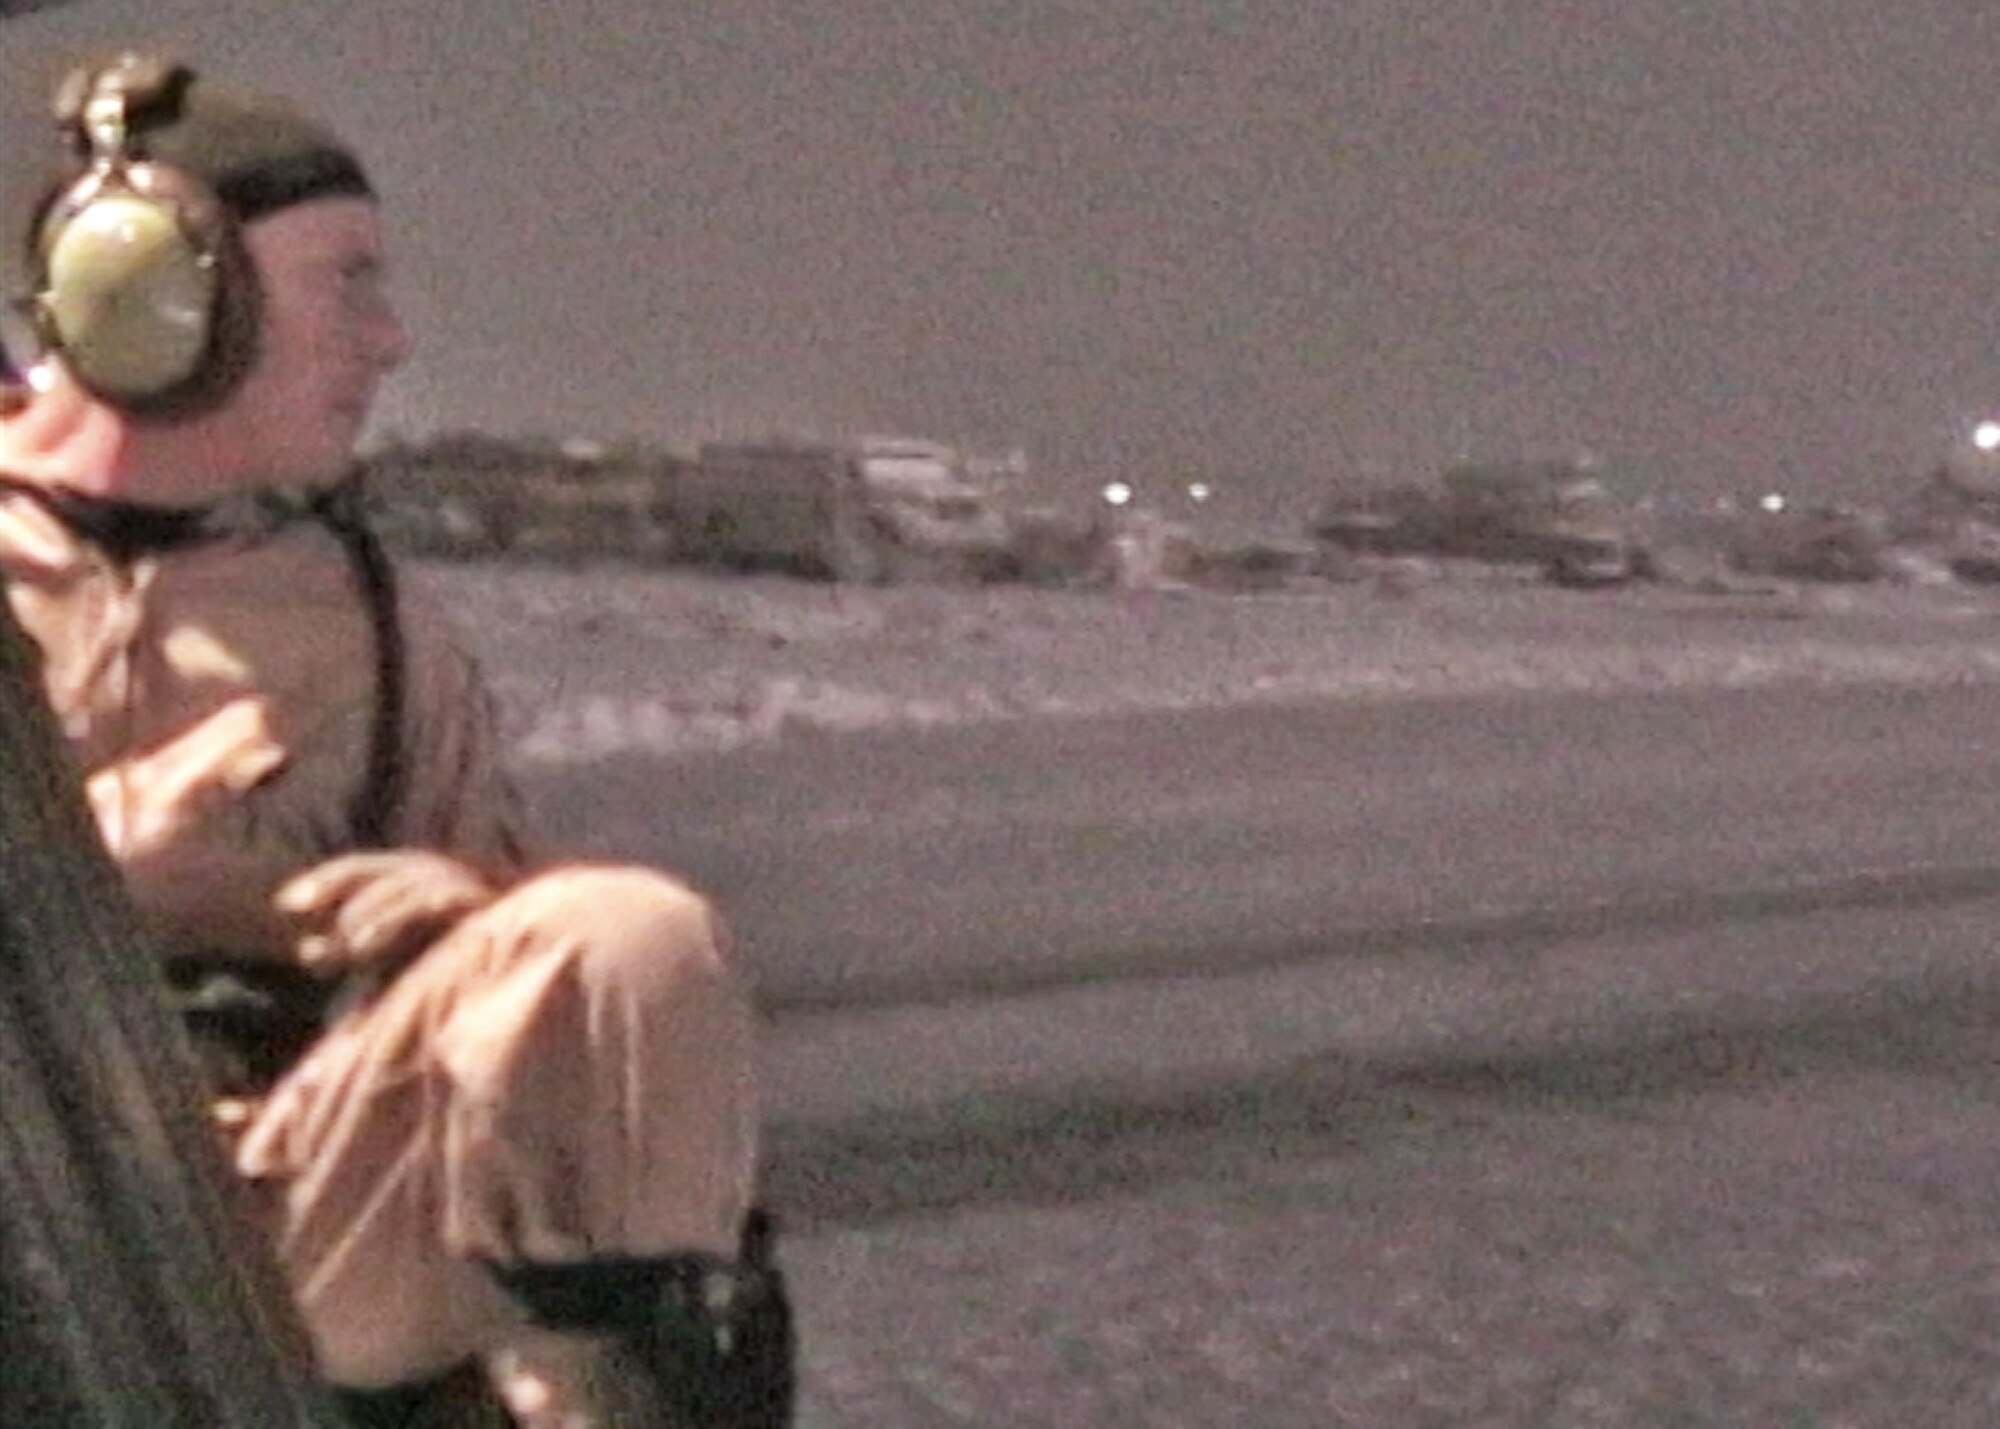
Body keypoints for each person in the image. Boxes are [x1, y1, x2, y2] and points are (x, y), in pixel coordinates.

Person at [0, 53, 791, 1427]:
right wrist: (89, 888)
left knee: (620, 948)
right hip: (35, 1229)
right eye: (346, 280)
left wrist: (447, 926)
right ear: (163, 296)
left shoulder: (369, 624)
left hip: (269, 1230)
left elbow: (536, 1008)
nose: (391, 339)